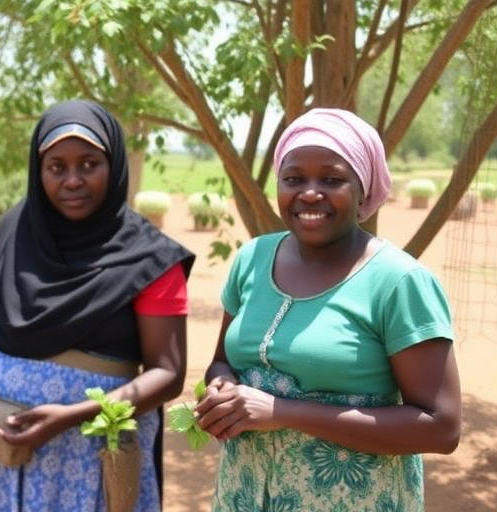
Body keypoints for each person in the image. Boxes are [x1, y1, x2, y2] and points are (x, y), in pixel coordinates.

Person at [195, 108, 461, 511]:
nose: (310, 193)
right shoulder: (253, 258)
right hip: (244, 494)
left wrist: (282, 411)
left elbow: (441, 428)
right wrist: (222, 388)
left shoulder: (398, 282)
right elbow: (221, 362)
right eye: (293, 179)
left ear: (363, 189)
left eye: (333, 179)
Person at [0, 99, 195, 511]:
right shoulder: (14, 230)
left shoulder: (150, 258)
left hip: (93, 452)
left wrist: (72, 417)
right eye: (56, 167)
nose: (72, 180)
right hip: (0, 447)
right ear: (38, 170)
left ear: (114, 163)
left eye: (89, 164)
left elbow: (169, 374)